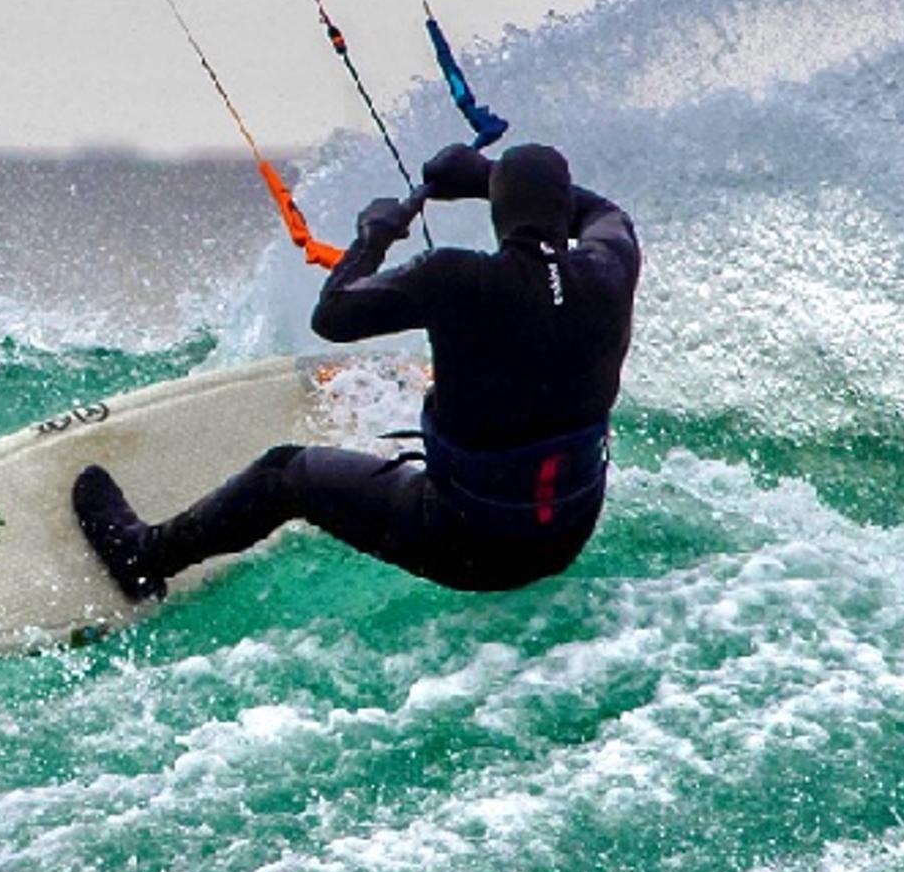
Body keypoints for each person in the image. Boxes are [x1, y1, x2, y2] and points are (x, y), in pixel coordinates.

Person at [72, 141, 639, 601]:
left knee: (284, 474)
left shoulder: (458, 278)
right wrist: (485, 174)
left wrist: (374, 238)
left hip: (471, 545)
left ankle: (143, 556)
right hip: (566, 531)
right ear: (563, 213)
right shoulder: (610, 268)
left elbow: (335, 315)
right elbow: (608, 214)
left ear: (496, 212)